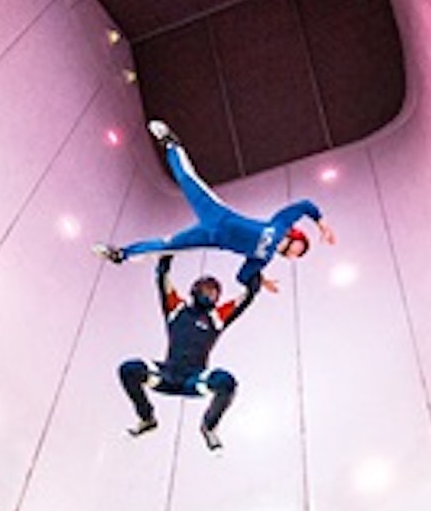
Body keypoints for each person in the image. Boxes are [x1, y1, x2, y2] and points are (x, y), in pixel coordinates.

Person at [94, 120, 335, 292]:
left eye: (298, 256)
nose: (296, 254)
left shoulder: (263, 259)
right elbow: (305, 204)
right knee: (188, 180)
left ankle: (121, 254)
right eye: (300, 249)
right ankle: (171, 144)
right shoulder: (280, 224)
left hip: (212, 238)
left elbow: (241, 276)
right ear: (296, 238)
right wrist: (323, 226)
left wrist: (261, 281)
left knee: (167, 246)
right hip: (218, 215)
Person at [117, 254, 259, 451]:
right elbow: (162, 277)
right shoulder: (177, 308)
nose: (211, 295)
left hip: (195, 378)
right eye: (207, 290)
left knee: (226, 382)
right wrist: (169, 252)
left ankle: (208, 427)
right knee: (128, 369)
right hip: (166, 374)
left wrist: (255, 268)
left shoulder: (217, 317)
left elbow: (247, 297)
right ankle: (147, 418)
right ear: (195, 290)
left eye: (215, 292)